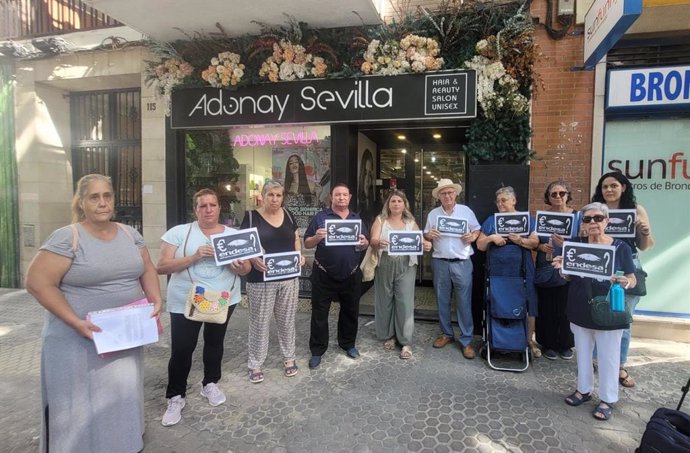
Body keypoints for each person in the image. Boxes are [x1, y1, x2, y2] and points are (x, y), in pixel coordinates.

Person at [25, 174, 163, 453]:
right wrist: (75, 321)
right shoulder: (67, 237)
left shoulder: (129, 234)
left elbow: (147, 267)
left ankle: (123, 444)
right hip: (76, 341)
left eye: (107, 196)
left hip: (122, 337)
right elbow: (37, 283)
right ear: (82, 203)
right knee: (78, 403)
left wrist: (156, 298)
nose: (102, 203)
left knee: (121, 396)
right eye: (94, 197)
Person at [157, 188, 251, 427]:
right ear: (195, 209)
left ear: (220, 208)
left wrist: (237, 266)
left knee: (214, 343)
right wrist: (195, 256)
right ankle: (175, 396)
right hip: (185, 301)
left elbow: (247, 269)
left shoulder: (233, 234)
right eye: (203, 206)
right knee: (182, 349)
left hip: (222, 299)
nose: (208, 210)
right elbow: (162, 267)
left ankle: (210, 383)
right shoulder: (179, 233)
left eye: (213, 205)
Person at [554, 202, 636, 421]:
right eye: (588, 219)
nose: (593, 223)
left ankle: (608, 398)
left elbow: (633, 277)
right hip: (580, 307)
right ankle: (584, 390)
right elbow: (569, 275)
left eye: (598, 218)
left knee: (608, 357)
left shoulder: (621, 247)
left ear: (607, 221)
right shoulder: (575, 244)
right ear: (583, 223)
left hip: (608, 309)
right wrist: (562, 270)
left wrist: (625, 282)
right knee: (582, 353)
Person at [591, 171, 654, 388]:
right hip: (601, 264)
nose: (608, 190)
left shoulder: (636, 210)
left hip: (627, 268)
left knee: (623, 319)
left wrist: (644, 232)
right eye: (605, 186)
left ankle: (619, 365)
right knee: (596, 312)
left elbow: (645, 246)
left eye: (613, 185)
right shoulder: (595, 211)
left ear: (623, 187)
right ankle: (594, 359)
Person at [241, 181, 305, 383]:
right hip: (261, 279)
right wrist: (253, 259)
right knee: (260, 322)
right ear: (263, 195)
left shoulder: (288, 214)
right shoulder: (251, 217)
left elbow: (295, 239)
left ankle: (289, 358)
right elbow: (243, 246)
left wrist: (299, 255)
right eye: (271, 195)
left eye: (279, 195)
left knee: (287, 321)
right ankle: (256, 363)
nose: (275, 199)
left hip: (288, 277)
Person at [304, 183, 370, 369]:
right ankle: (317, 350)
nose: (341, 198)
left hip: (350, 275)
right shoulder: (320, 217)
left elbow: (364, 244)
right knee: (319, 313)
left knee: (350, 312)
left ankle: (348, 344)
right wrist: (317, 237)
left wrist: (364, 243)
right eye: (337, 195)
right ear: (331, 197)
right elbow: (308, 243)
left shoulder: (357, 219)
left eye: (344, 195)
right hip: (323, 274)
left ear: (349, 198)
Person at [476, 186, 540, 356]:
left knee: (528, 302)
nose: (500, 204)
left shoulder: (527, 219)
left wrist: (520, 240)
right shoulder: (491, 220)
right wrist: (491, 238)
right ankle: (497, 338)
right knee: (497, 301)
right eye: (497, 201)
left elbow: (535, 242)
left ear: (514, 200)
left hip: (523, 269)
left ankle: (528, 341)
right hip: (497, 272)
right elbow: (480, 245)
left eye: (503, 200)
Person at [370, 189, 432, 359]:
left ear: (404, 204)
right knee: (385, 299)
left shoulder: (411, 223)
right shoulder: (380, 220)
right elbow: (373, 240)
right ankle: (388, 335)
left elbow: (420, 242)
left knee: (404, 301)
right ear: (388, 204)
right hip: (385, 263)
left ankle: (405, 341)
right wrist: (378, 242)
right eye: (393, 201)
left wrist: (426, 245)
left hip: (406, 264)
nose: (396, 204)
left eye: (399, 201)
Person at [423, 178, 481, 359]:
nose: (447, 196)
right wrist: (428, 235)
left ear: (456, 194)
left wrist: (472, 236)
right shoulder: (433, 214)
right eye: (443, 193)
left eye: (450, 192)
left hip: (462, 261)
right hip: (440, 262)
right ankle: (447, 334)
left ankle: (466, 340)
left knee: (464, 302)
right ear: (439, 196)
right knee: (442, 300)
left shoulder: (466, 211)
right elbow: (426, 234)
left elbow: (477, 229)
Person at [534, 181, 579, 360]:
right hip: (546, 266)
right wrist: (540, 247)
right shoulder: (542, 217)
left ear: (568, 195)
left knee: (567, 306)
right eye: (554, 194)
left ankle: (566, 344)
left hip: (569, 267)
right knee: (546, 306)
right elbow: (534, 241)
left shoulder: (578, 216)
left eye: (562, 193)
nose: (558, 197)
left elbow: (585, 242)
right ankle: (547, 343)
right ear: (548, 197)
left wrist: (566, 245)